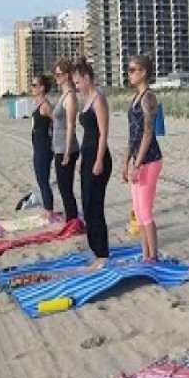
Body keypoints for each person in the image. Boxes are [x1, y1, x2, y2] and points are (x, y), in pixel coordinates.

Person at [122, 54, 163, 262]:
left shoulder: (148, 97)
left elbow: (147, 133)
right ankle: (145, 253)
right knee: (138, 212)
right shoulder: (135, 97)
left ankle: (152, 255)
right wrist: (126, 161)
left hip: (150, 159)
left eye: (132, 70)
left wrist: (137, 164)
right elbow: (133, 133)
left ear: (144, 72)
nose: (129, 74)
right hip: (137, 160)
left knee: (145, 210)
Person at [72, 58, 112, 270]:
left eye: (78, 82)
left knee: (95, 206)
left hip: (99, 156)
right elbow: (86, 133)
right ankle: (95, 250)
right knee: (86, 205)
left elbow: (103, 133)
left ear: (87, 78)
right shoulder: (86, 101)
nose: (76, 86)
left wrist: (98, 160)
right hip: (86, 156)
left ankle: (102, 253)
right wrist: (80, 158)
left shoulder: (98, 100)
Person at [51, 59, 80, 223]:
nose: (56, 77)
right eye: (55, 74)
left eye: (58, 74)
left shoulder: (70, 97)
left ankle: (72, 220)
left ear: (67, 76)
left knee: (66, 188)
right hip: (59, 148)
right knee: (63, 187)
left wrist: (67, 152)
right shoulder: (63, 95)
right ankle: (71, 218)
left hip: (67, 149)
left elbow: (71, 125)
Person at [29, 73, 54, 218]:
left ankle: (48, 209)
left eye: (34, 85)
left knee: (43, 179)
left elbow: (57, 122)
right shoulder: (37, 104)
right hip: (37, 147)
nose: (32, 88)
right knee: (40, 179)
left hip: (44, 148)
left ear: (42, 88)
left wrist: (53, 142)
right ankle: (47, 207)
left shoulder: (45, 105)